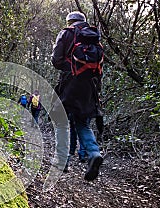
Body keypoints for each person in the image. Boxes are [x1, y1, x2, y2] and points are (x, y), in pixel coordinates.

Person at [51, 11, 104, 180]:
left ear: (70, 21)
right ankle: (94, 153)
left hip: (69, 85)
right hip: (89, 87)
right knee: (83, 124)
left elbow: (56, 60)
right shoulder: (93, 37)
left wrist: (69, 68)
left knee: (62, 123)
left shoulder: (66, 33)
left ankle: (62, 162)